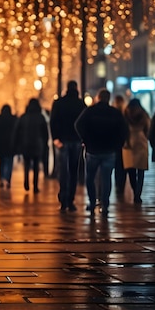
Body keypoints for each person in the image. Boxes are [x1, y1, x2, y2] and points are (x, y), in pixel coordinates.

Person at [75, 89, 128, 217]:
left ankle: (93, 202)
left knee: (90, 178)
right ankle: (105, 204)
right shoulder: (115, 113)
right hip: (109, 150)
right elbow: (124, 130)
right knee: (106, 179)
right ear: (109, 99)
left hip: (92, 150)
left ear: (98, 98)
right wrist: (117, 144)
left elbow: (78, 124)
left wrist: (85, 139)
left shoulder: (90, 111)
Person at [50, 80, 86, 212]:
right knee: (73, 170)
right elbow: (84, 123)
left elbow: (53, 121)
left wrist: (55, 138)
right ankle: (71, 199)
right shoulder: (80, 103)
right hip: (76, 140)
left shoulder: (59, 103)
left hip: (63, 140)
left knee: (63, 171)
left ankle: (63, 198)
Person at [13, 98, 48, 193]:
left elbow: (17, 131)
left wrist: (16, 144)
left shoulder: (24, 117)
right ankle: (35, 186)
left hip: (25, 144)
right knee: (36, 166)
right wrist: (44, 144)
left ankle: (26, 183)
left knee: (27, 164)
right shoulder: (40, 117)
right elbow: (45, 132)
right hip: (37, 144)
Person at [122, 98, 151, 204]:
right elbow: (148, 128)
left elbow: (122, 128)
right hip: (141, 141)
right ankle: (138, 194)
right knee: (141, 170)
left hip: (128, 142)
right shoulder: (144, 114)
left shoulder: (125, 114)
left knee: (131, 170)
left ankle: (134, 191)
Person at [0, 104, 17, 189]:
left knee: (2, 161)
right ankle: (8, 179)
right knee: (9, 162)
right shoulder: (13, 119)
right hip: (10, 144)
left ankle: (1, 178)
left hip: (0, 144)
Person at [111, 94, 127, 197]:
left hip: (113, 143)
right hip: (123, 143)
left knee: (116, 165)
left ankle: (117, 185)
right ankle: (121, 186)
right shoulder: (125, 114)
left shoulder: (112, 113)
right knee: (123, 165)